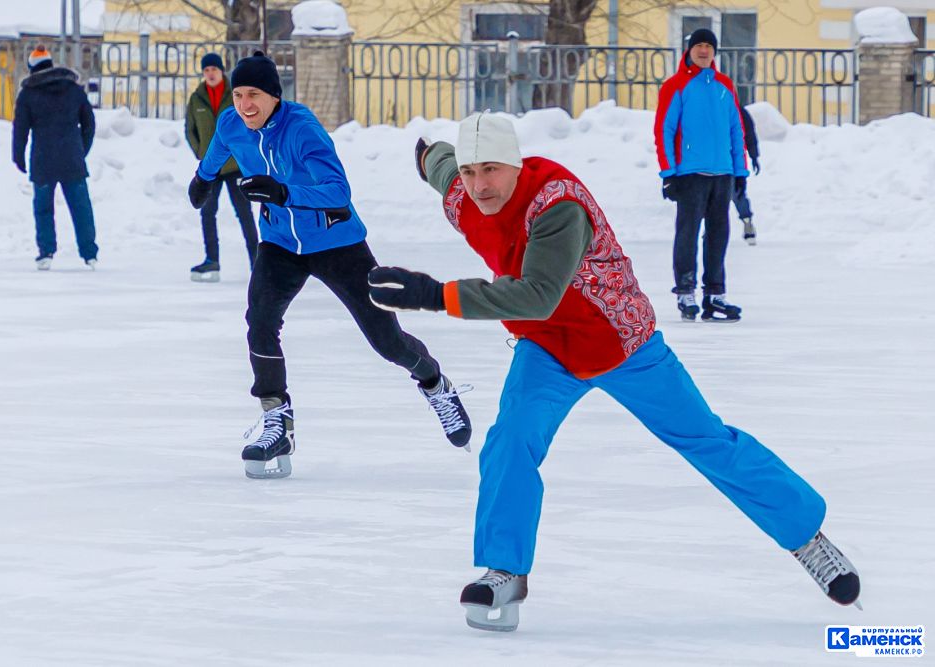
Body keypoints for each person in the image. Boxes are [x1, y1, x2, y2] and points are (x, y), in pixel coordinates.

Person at [368, 112, 861, 632]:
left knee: (705, 438)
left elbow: (538, 294)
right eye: (471, 172)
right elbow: (444, 167)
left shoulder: (557, 205)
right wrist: (432, 156)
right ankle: (504, 570)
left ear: (514, 164)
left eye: (491, 169)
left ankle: (808, 537)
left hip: (619, 339)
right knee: (510, 442)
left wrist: (433, 294)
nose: (479, 184)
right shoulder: (463, 195)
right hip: (547, 346)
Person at [187, 51, 472, 480]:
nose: (246, 104)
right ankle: (275, 419)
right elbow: (217, 150)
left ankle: (434, 382)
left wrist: (284, 192)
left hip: (336, 242)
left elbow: (337, 191)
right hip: (281, 243)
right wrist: (203, 179)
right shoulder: (230, 122)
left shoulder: (302, 129)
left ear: (274, 97)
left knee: (386, 341)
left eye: (255, 95)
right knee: (260, 321)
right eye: (239, 93)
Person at [654, 29, 748, 322]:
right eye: (699, 46)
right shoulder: (676, 86)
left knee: (719, 234)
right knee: (688, 233)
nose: (703, 50)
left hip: (723, 173)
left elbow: (736, 130)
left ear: (714, 51)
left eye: (708, 46)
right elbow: (664, 130)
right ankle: (685, 292)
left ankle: (714, 295)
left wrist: (740, 170)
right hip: (690, 174)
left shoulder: (725, 85)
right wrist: (669, 173)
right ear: (689, 50)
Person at [12, 45, 98, 271]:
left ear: (31, 68)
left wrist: (18, 156)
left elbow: (20, 129)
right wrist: (81, 148)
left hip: (43, 159)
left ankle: (46, 252)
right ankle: (90, 253)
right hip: (72, 158)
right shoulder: (73, 89)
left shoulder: (28, 93)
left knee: (43, 208)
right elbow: (89, 122)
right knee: (81, 207)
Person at [185, 52, 259, 282]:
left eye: (213, 70)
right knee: (207, 213)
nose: (210, 74)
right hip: (211, 167)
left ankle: (257, 263)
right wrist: (201, 152)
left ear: (221, 71)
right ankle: (212, 260)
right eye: (206, 70)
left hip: (236, 166)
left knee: (244, 213)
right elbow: (190, 130)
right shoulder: (197, 98)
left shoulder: (234, 94)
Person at [735, 106, 760, 245]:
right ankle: (710, 228)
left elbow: (750, 134)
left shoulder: (739, 111)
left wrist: (754, 155)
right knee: (713, 198)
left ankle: (747, 222)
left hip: (734, 161)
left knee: (738, 194)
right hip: (714, 162)